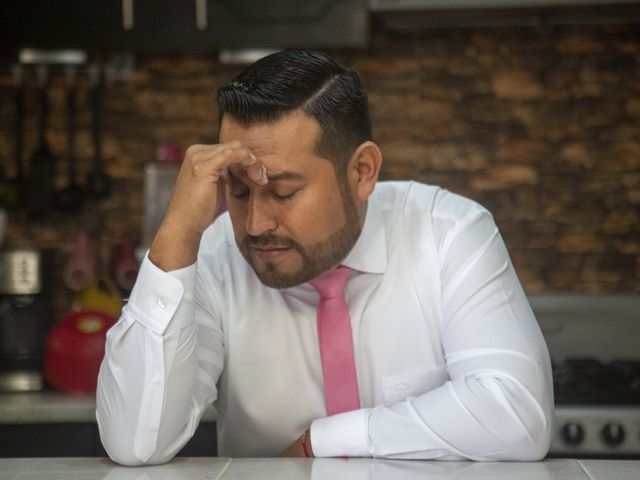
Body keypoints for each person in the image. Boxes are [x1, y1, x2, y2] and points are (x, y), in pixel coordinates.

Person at [96, 50, 554, 466]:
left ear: (361, 172)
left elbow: (518, 414)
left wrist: (323, 441)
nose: (255, 224)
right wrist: (177, 233)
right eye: (237, 191)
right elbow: (135, 444)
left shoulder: (449, 234)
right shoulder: (217, 256)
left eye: (284, 192)